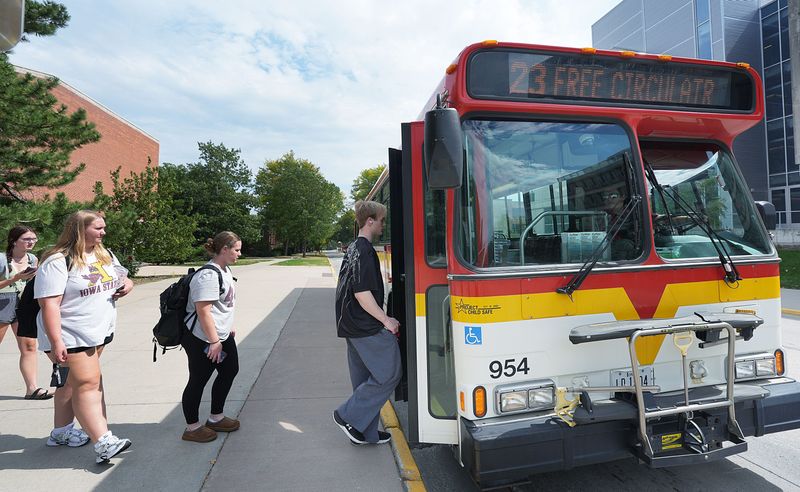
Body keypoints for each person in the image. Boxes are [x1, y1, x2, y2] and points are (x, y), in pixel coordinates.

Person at [36, 210, 134, 463]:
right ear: (80, 230)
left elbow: (123, 277)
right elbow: (49, 305)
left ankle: (61, 433)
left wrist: (126, 285)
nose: (104, 232)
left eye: (104, 227)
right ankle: (103, 441)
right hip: (71, 334)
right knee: (90, 384)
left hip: (98, 331)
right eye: (98, 228)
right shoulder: (57, 261)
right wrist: (56, 341)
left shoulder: (103, 253)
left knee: (71, 384)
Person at [333, 200, 401, 445]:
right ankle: (347, 415)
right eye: (382, 220)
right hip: (365, 326)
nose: (384, 225)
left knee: (363, 380)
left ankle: (363, 431)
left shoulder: (352, 248)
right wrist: (386, 320)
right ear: (370, 220)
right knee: (389, 374)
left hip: (351, 325)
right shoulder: (364, 250)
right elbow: (362, 293)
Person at [180, 231, 242, 443]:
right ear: (224, 249)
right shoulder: (208, 275)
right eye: (236, 249)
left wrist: (227, 326)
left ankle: (216, 418)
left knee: (230, 370)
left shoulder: (224, 270)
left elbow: (221, 305)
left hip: (220, 334)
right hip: (202, 338)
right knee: (198, 379)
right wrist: (214, 341)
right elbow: (203, 311)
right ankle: (192, 428)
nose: (239, 254)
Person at [0, 226, 51, 400]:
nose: (31, 242)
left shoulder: (32, 259)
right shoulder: (1, 260)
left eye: (33, 239)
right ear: (14, 241)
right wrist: (15, 278)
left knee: (29, 347)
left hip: (24, 305)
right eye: (27, 239)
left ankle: (32, 389)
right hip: (2, 303)